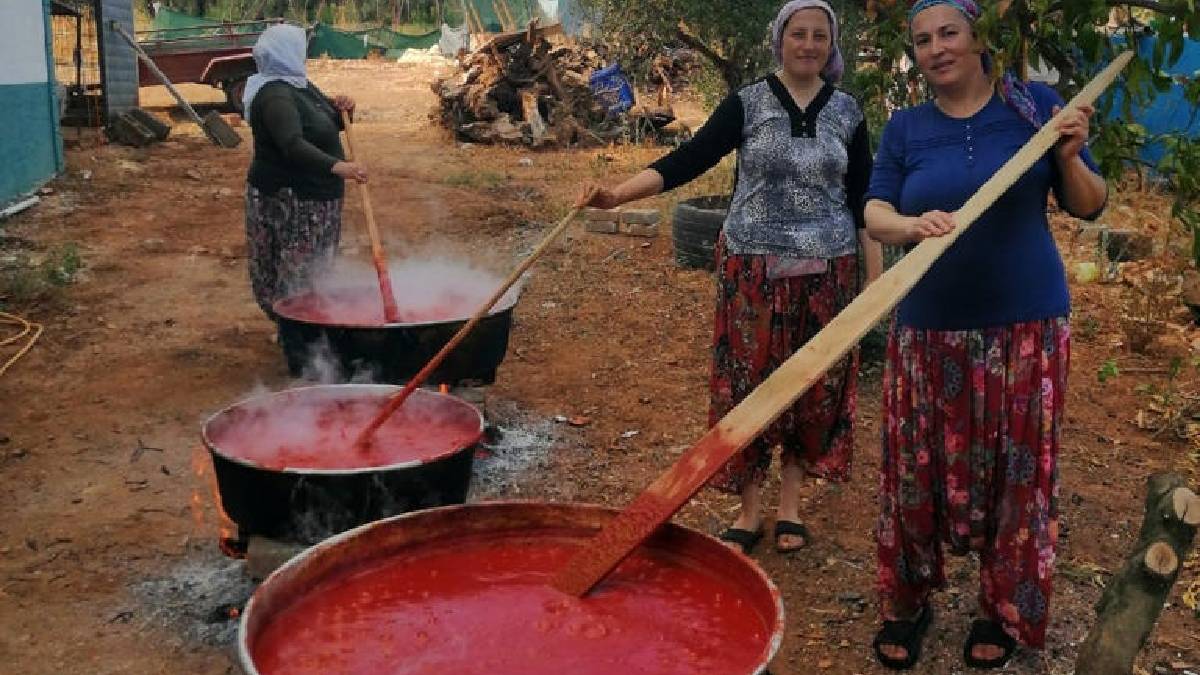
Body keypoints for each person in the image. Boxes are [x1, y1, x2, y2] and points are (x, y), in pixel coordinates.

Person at [577, 0, 883, 556]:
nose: (809, 44)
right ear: (780, 39)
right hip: (753, 272)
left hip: (829, 272)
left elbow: (865, 200)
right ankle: (749, 508)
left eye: (820, 36)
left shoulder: (848, 112)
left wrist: (874, 285)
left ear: (830, 45)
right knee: (747, 384)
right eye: (799, 34)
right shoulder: (749, 103)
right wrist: (616, 194)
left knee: (814, 387)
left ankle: (790, 505)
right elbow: (687, 159)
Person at [863, 0, 1107, 669]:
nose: (937, 47)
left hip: (1026, 327)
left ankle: (1000, 609)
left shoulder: (1035, 106)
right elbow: (876, 211)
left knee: (1017, 477)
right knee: (915, 474)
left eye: (949, 32)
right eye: (922, 39)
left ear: (977, 36)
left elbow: (1088, 203)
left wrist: (1072, 154)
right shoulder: (906, 127)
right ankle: (908, 601)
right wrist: (911, 227)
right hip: (927, 328)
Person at [242, 23, 367, 323]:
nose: (305, 54)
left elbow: (324, 123)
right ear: (287, 52)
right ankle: (295, 331)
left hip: (316, 197)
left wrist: (345, 111)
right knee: (294, 273)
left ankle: (304, 329)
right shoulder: (275, 96)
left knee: (312, 271)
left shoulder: (298, 84)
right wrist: (340, 167)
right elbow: (292, 145)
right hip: (292, 199)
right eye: (301, 48)